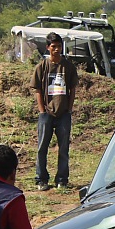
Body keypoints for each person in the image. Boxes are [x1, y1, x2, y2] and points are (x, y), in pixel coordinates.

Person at [32, 31, 78, 191]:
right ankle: (41, 179)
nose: (57, 49)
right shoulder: (42, 66)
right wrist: (42, 110)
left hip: (63, 113)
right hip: (46, 114)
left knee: (63, 148)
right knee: (42, 148)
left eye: (59, 46)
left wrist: (69, 109)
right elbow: (37, 89)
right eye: (54, 46)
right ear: (48, 47)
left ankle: (62, 179)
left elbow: (72, 89)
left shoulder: (68, 67)